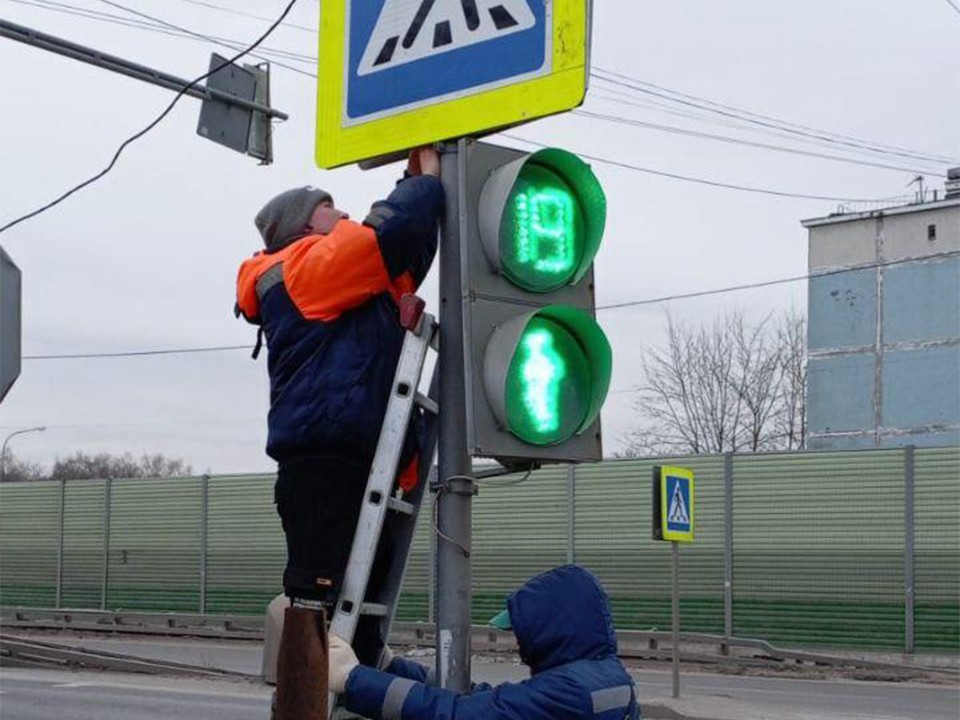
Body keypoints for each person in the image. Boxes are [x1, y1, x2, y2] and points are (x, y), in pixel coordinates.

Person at [235, 147, 444, 719]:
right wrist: (420, 186)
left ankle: (348, 692)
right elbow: (390, 235)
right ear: (304, 225)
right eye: (331, 207)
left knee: (348, 622)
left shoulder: (341, 274)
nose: (343, 211)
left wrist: (422, 169)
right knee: (316, 615)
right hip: (325, 459)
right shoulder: (302, 268)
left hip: (351, 456)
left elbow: (407, 247)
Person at [328, 565, 640, 720]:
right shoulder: (602, 677)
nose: (520, 646)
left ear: (551, 628)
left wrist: (354, 680)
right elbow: (484, 699)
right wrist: (393, 667)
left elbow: (460, 715)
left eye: (523, 632)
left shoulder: (571, 689)